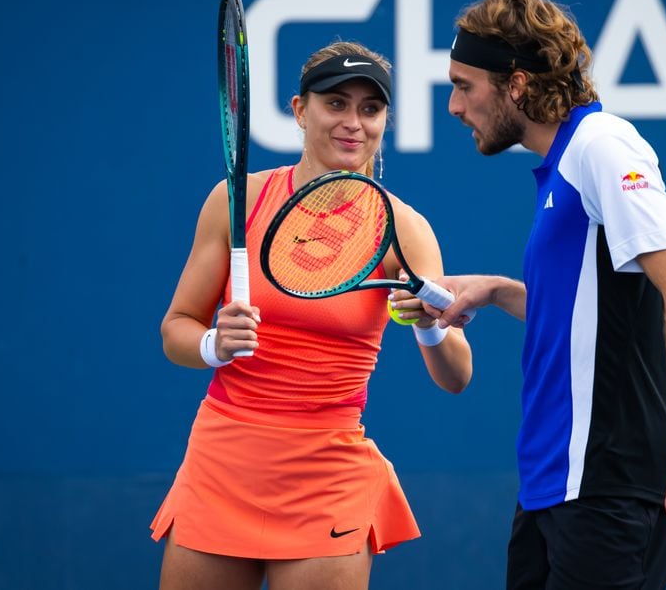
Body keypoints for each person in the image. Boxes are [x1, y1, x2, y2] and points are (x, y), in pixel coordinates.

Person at [418, 0, 666, 589]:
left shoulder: (602, 147)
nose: (453, 105)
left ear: (518, 85)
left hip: (608, 483)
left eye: (464, 85)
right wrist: (499, 290)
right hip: (552, 486)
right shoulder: (565, 162)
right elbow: (596, 311)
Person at [151, 41, 473, 590]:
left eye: (370, 109)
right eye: (336, 104)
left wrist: (427, 324)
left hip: (327, 477)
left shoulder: (403, 227)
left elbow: (456, 376)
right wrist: (213, 345)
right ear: (300, 111)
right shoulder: (236, 200)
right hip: (221, 463)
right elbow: (176, 327)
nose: (353, 122)